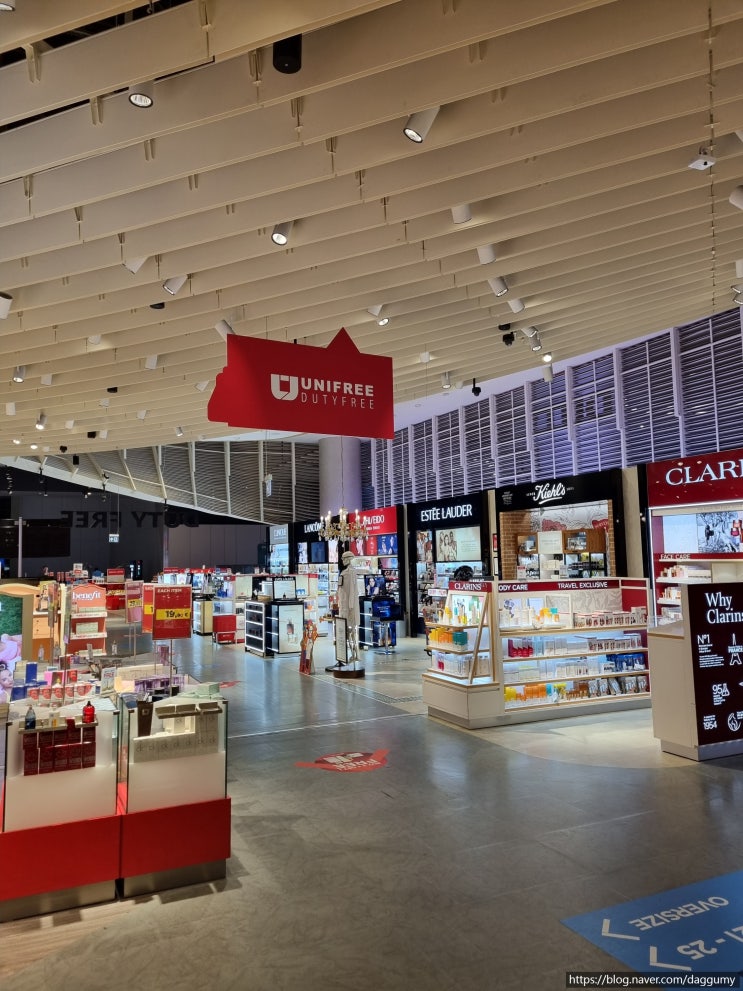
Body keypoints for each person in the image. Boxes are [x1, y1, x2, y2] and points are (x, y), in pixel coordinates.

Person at [337, 550, 361, 662]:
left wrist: (351, 606)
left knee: (351, 630)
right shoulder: (346, 572)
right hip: (344, 605)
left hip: (348, 607)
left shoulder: (350, 572)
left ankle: (355, 654)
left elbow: (352, 590)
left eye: (344, 558)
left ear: (348, 559)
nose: (342, 560)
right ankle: (353, 654)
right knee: (349, 631)